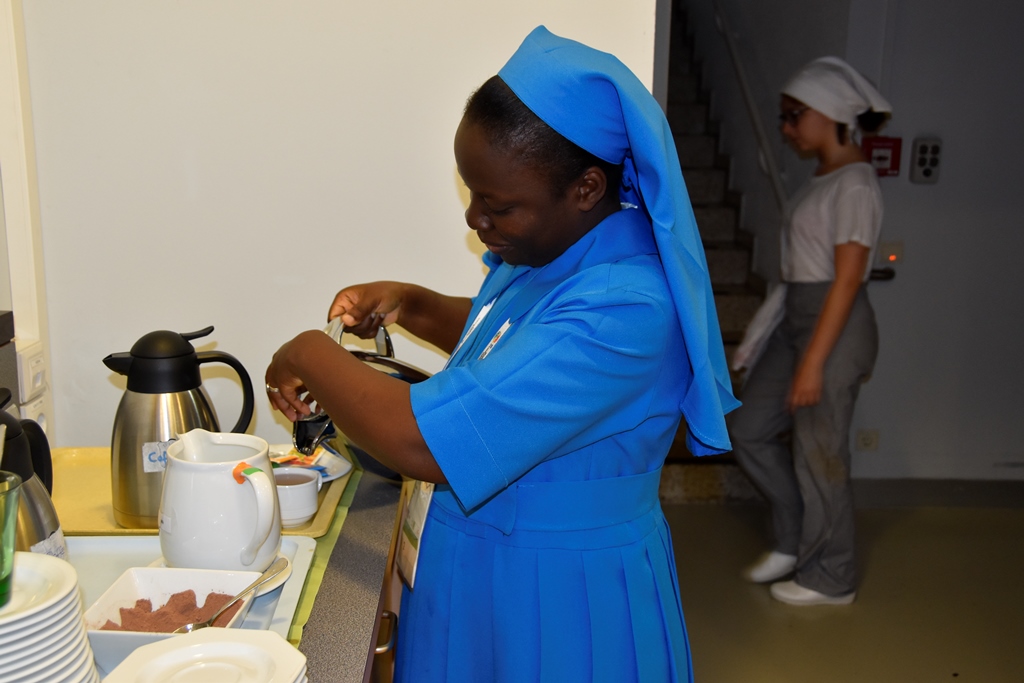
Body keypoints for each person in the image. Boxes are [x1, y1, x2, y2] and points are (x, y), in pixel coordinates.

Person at [266, 26, 738, 681]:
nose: (475, 220)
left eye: (497, 205)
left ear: (586, 188)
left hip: (561, 598)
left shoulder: (626, 309)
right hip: (483, 571)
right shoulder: (553, 250)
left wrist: (308, 352)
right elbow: (517, 345)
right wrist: (413, 304)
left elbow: (420, 442)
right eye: (471, 194)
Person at [730, 57, 891, 606]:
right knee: (749, 428)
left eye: (794, 115)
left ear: (831, 113)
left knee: (820, 454)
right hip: (797, 319)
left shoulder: (857, 183)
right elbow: (799, 270)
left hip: (834, 327)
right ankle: (796, 537)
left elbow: (846, 280)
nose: (786, 127)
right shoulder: (823, 178)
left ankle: (832, 577)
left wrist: (813, 364)